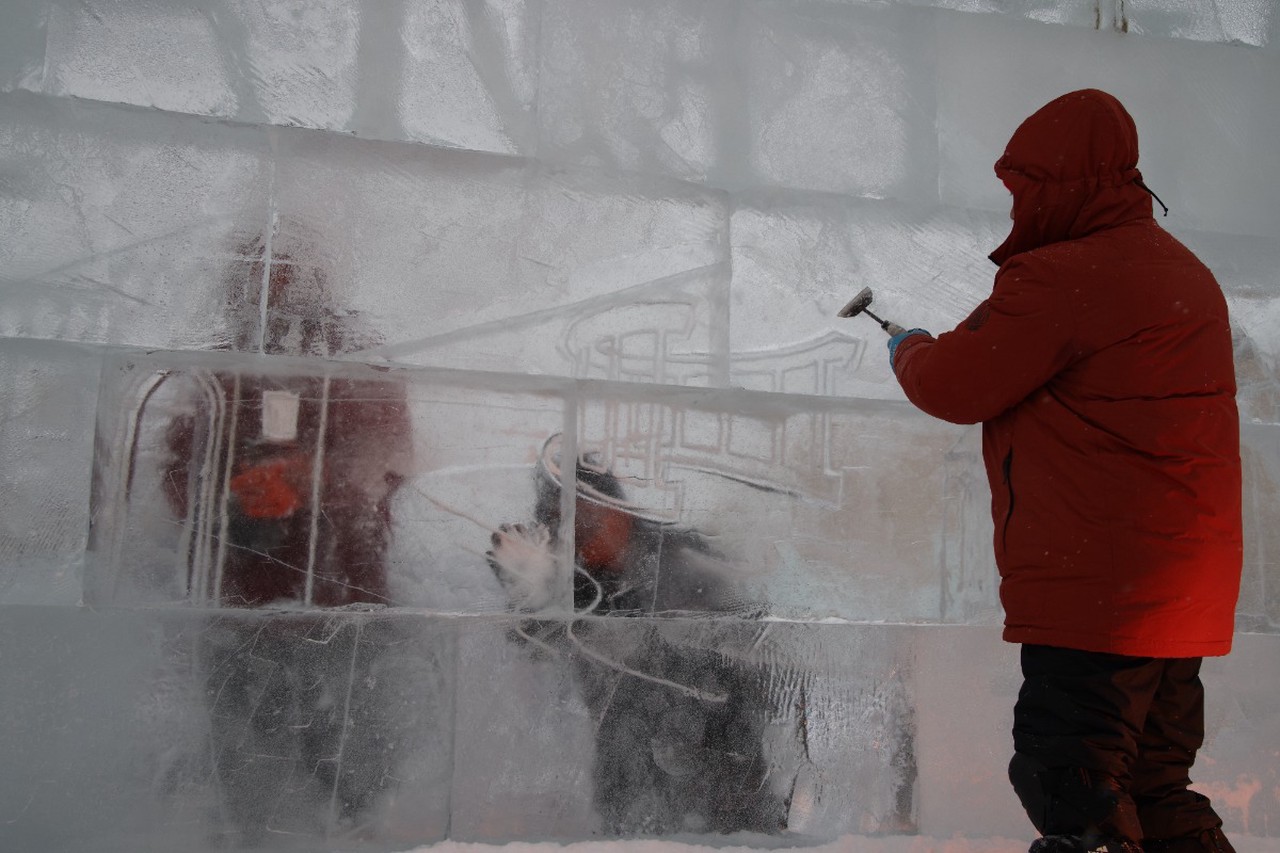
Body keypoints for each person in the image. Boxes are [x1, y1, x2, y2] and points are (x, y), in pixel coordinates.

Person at [886, 90, 1242, 853]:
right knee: (1153, 786)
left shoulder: (1065, 277)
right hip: (1182, 597)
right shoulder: (1186, 275)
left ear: (1061, 184)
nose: (1016, 205)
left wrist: (907, 346)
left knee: (1071, 785)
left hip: (1102, 595)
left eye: (1024, 190)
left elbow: (959, 381)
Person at [161, 228, 418, 843]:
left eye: (282, 269)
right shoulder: (218, 360)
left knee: (355, 784)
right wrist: (227, 493)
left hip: (345, 603)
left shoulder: (353, 355)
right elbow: (176, 467)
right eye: (253, 269)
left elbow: (390, 459)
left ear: (312, 277)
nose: (266, 281)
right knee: (249, 781)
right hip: (240, 604)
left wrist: (310, 477)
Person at [485, 434, 800, 836]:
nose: (574, 534)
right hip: (626, 773)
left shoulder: (679, 556)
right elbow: (537, 649)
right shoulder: (577, 581)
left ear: (618, 509)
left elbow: (726, 648)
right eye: (557, 522)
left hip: (717, 760)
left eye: (584, 516)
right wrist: (526, 589)